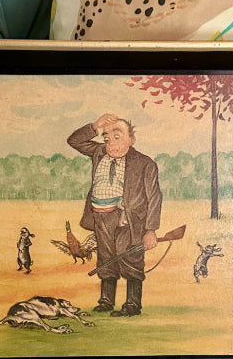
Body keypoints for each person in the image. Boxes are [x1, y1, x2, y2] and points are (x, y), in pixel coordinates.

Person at [67, 113, 162, 316]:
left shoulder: (145, 163)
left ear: (131, 139)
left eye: (117, 137)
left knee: (131, 259)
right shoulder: (99, 152)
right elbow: (74, 141)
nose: (111, 144)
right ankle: (106, 301)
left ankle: (132, 304)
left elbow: (154, 197)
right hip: (101, 218)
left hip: (127, 220)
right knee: (106, 258)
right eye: (107, 138)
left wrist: (150, 230)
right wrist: (95, 126)